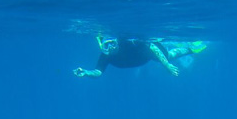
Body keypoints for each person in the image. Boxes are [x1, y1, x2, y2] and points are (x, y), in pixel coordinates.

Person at [73, 35, 207, 78]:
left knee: (169, 56)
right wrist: (86, 72)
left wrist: (166, 65)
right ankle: (187, 48)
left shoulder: (127, 42)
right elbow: (98, 71)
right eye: (106, 46)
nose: (111, 48)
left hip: (147, 52)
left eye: (112, 43)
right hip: (141, 59)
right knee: (169, 57)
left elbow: (151, 47)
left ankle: (190, 48)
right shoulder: (105, 56)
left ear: (117, 41)